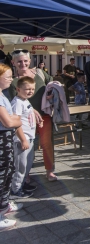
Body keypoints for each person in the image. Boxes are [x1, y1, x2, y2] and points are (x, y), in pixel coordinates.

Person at [9, 50, 56, 181]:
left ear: (30, 61)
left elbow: (51, 83)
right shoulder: (14, 82)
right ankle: (26, 173)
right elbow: (17, 101)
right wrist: (32, 110)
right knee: (26, 146)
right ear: (13, 63)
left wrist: (51, 93)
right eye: (19, 61)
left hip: (44, 115)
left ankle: (49, 171)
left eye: (25, 60)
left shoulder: (40, 74)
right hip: (26, 120)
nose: (22, 63)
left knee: (47, 143)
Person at [0, 63, 23, 231]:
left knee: (8, 170)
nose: (11, 79)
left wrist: (14, 119)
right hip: (2, 138)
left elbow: (11, 118)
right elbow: (9, 121)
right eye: (7, 76)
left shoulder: (3, 94)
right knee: (2, 174)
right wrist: (17, 120)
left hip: (6, 138)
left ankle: (4, 204)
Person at [10, 77, 39, 199]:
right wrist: (22, 139)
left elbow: (29, 114)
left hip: (30, 138)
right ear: (18, 89)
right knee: (20, 166)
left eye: (32, 89)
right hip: (22, 140)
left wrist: (39, 120)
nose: (30, 91)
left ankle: (22, 184)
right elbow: (15, 123)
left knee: (27, 164)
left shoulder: (25, 100)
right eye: (27, 89)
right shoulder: (17, 102)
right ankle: (15, 190)